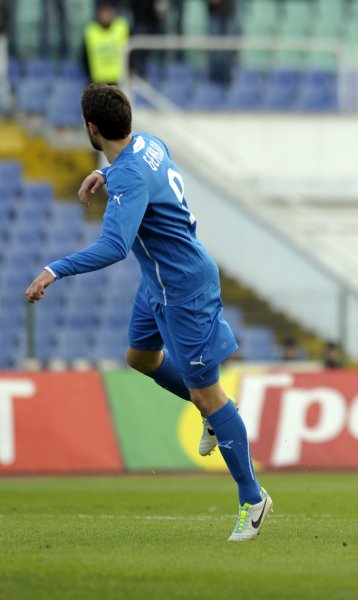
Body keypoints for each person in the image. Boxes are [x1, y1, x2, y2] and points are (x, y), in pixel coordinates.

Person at [24, 83, 271, 542]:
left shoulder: (130, 172)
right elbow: (137, 169)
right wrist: (106, 173)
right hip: (157, 284)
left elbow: (114, 247)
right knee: (140, 358)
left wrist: (54, 269)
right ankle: (212, 412)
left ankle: (252, 498)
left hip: (185, 289)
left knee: (209, 395)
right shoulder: (148, 144)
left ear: (92, 128)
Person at [82, 3, 129, 85]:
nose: (106, 16)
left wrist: (130, 69)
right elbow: (84, 55)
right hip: (97, 80)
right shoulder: (91, 30)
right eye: (103, 13)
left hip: (119, 79)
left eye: (108, 12)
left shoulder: (121, 27)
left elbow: (130, 50)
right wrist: (88, 75)